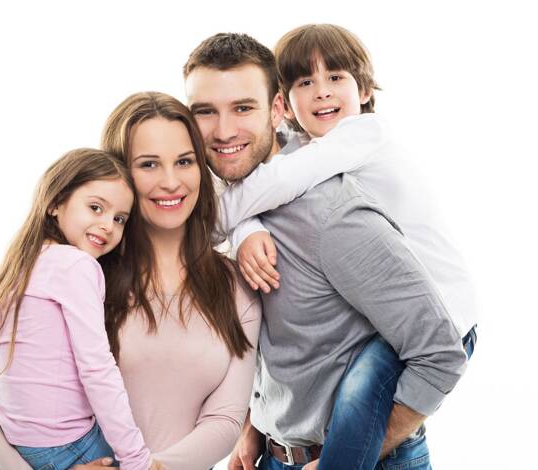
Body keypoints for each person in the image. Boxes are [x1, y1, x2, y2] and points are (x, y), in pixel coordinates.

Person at [184, 32, 469, 470]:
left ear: (276, 109)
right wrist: (258, 422)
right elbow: (293, 337)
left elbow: (439, 353)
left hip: (449, 311)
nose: (223, 131)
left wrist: (353, 455)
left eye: (243, 108)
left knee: (366, 383)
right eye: (205, 111)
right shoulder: (247, 184)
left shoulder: (331, 203)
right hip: (275, 451)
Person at [0, 92, 262, 470]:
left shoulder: (237, 286)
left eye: (184, 161)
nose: (171, 181)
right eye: (149, 164)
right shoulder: (76, 270)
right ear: (120, 173)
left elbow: (225, 420)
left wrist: (147, 468)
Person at [0, 148, 159, 470]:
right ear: (55, 203)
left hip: (20, 444)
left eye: (119, 218)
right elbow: (96, 369)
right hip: (68, 445)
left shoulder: (18, 267)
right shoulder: (75, 265)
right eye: (95, 208)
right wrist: (137, 460)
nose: (108, 225)